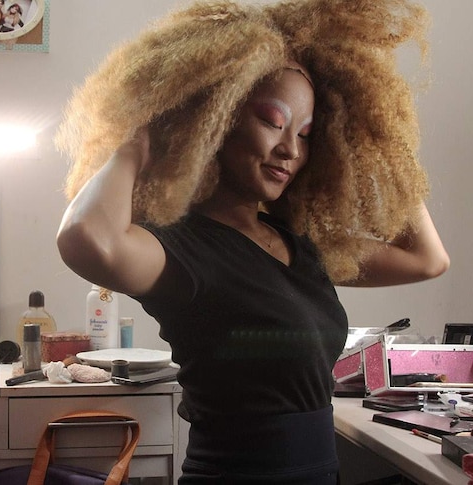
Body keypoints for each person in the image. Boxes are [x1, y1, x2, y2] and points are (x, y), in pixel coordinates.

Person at [55, 1, 449, 483]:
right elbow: (86, 238)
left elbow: (426, 259)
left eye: (306, 135)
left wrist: (379, 149)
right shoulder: (182, 251)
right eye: (272, 121)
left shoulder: (301, 246)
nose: (291, 150)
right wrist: (143, 138)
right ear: (213, 120)